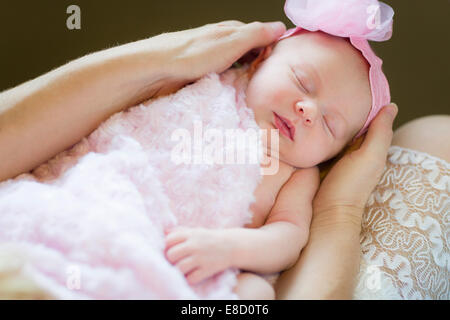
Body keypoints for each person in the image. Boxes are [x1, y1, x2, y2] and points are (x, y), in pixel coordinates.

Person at [0, 21, 446, 300]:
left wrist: (228, 249)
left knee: (252, 292)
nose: (309, 110)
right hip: (100, 196)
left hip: (188, 258)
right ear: (260, 59)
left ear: (335, 155)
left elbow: (287, 237)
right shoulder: (204, 83)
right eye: (301, 81)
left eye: (330, 126)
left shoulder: (297, 173)